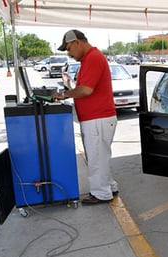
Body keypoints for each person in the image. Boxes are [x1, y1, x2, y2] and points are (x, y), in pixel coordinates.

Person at [52, 29, 118, 205]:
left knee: (96, 158)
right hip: (97, 118)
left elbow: (85, 90)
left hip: (98, 119)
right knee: (100, 156)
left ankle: (101, 194)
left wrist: (64, 95)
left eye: (69, 48)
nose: (69, 53)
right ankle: (109, 186)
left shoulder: (93, 58)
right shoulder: (90, 58)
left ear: (77, 43)